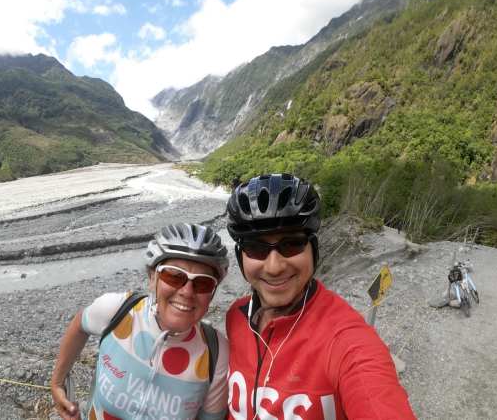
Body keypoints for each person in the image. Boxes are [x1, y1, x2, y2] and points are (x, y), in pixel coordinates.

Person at [225, 173, 416, 419]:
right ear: (241, 256)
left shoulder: (345, 340)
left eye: (291, 244)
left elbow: (376, 397)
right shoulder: (236, 317)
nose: (274, 266)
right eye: (256, 248)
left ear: (313, 250)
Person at [51, 223, 230, 420]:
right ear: (152, 277)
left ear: (212, 293)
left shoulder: (216, 352)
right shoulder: (118, 310)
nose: (187, 292)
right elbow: (80, 324)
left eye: (202, 283)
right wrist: (57, 382)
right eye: (173, 276)